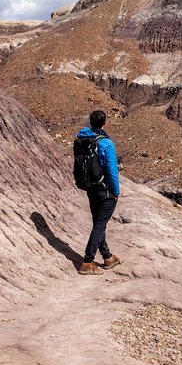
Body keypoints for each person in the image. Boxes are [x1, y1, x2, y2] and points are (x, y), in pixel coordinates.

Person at [75, 110, 121, 275]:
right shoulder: (106, 143)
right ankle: (87, 262)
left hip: (90, 188)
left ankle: (107, 257)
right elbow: (112, 170)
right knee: (100, 225)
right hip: (105, 190)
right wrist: (116, 191)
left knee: (98, 223)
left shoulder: (82, 139)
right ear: (104, 123)